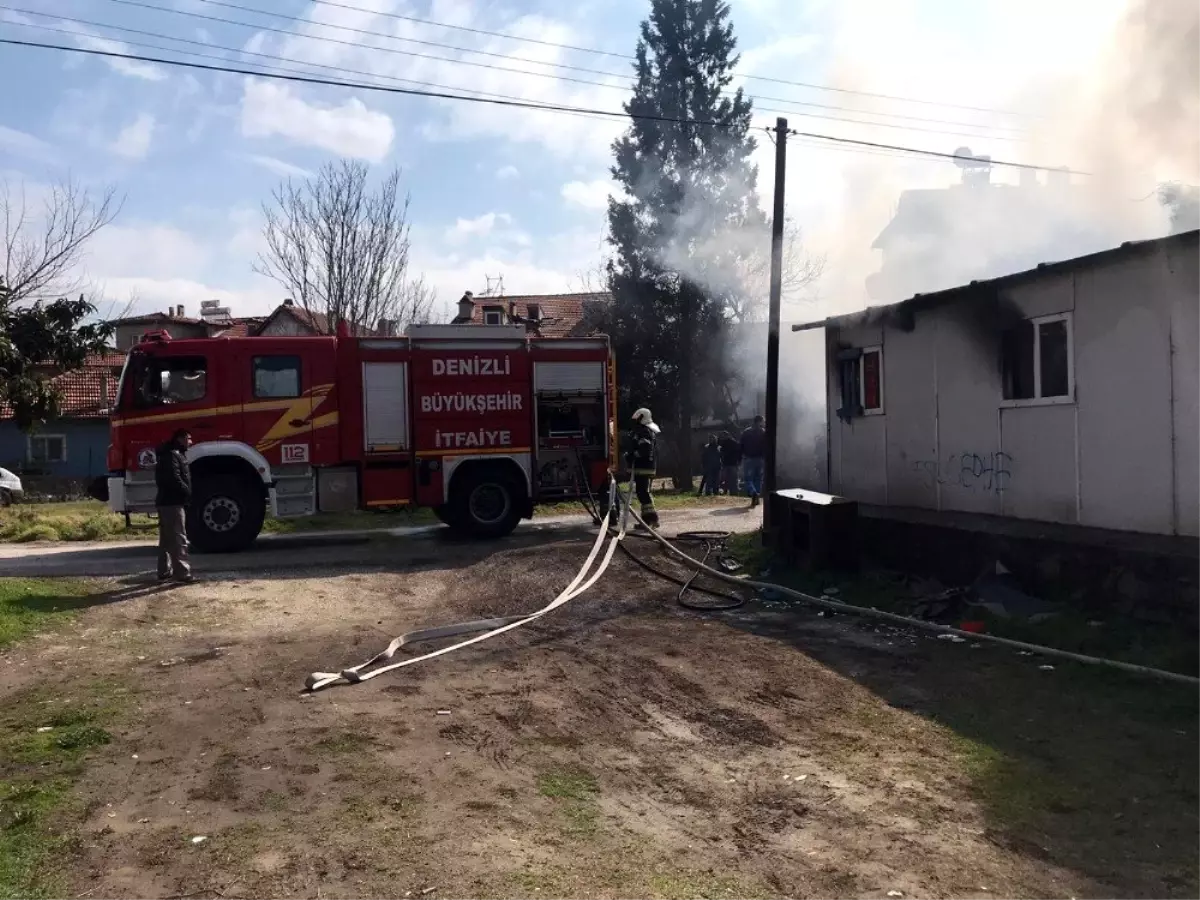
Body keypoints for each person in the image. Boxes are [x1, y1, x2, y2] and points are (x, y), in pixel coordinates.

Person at [155, 428, 194, 583]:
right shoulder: (173, 455)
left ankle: (164, 571)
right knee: (179, 538)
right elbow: (174, 479)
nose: (191, 442)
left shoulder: (171, 454)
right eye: (188, 438)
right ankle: (183, 573)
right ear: (180, 439)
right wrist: (187, 492)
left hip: (166, 502)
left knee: (166, 539)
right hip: (172, 503)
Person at [625, 408, 660, 528]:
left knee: (643, 493)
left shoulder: (644, 431)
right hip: (644, 466)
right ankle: (647, 521)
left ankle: (652, 519)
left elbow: (645, 449)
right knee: (642, 493)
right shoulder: (645, 430)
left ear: (641, 418)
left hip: (643, 466)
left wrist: (632, 455)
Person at [740, 415, 768, 508]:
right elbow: (766, 446)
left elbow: (741, 445)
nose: (763, 423)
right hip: (760, 459)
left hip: (749, 459)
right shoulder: (763, 432)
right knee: (758, 478)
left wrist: (742, 455)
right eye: (763, 421)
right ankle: (757, 496)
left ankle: (753, 493)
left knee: (748, 479)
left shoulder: (746, 432)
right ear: (759, 422)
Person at [717, 430, 742, 495]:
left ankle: (727, 492)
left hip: (728, 464)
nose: (722, 437)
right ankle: (733, 493)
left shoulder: (724, 443)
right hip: (731, 463)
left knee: (726, 479)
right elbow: (739, 452)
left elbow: (723, 453)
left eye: (723, 436)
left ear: (727, 435)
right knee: (732, 480)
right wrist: (739, 461)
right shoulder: (734, 442)